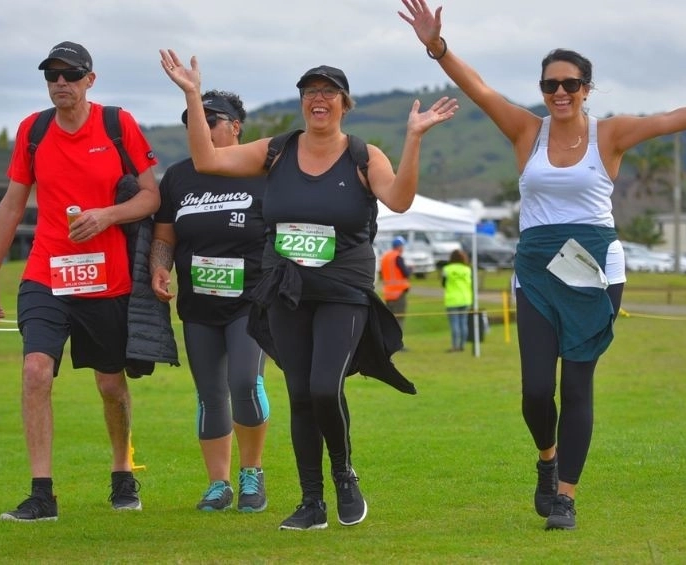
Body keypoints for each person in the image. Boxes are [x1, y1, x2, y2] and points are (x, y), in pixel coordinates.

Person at [400, 0, 686, 530]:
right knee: (536, 391)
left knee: (577, 386)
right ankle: (547, 458)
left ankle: (565, 497)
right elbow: (480, 90)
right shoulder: (526, 132)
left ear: (587, 88)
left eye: (570, 84)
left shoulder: (610, 134)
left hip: (595, 269)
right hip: (537, 269)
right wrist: (437, 47)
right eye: (550, 84)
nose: (560, 92)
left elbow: (667, 120)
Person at [160, 48, 458, 530]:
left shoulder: (363, 155)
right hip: (287, 290)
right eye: (310, 92)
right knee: (300, 393)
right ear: (302, 101)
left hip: (342, 289)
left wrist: (414, 138)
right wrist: (193, 95)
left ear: (345, 103)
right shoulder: (277, 151)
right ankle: (311, 502)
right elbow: (207, 158)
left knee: (324, 387)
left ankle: (344, 474)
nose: (319, 99)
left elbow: (400, 199)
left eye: (329, 92)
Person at [0, 41, 160, 522]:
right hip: (46, 273)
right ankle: (42, 494)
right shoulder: (33, 130)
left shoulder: (117, 124)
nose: (60, 83)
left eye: (71, 74)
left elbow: (151, 196)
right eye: (51, 75)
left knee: (110, 384)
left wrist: (108, 215)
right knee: (36, 371)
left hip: (107, 277)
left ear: (89, 80)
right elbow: (12, 204)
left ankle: (122, 472)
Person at [150, 91, 270, 513]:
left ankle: (252, 471)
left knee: (244, 382)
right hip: (199, 304)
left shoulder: (261, 170)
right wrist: (159, 267)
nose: (198, 127)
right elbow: (165, 236)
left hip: (250, 300)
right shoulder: (179, 177)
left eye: (210, 119)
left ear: (236, 126)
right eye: (191, 121)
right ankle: (219, 484)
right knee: (210, 394)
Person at [441, 248, 473, 352]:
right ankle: (462, 345)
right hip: (465, 298)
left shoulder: (447, 269)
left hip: (452, 299)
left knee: (454, 324)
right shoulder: (467, 269)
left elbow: (443, 283)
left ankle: (455, 346)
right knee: (463, 323)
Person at [380, 236, 412, 329]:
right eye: (402, 246)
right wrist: (410, 269)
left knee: (389, 320)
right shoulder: (397, 257)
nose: (403, 248)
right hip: (399, 293)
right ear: (399, 246)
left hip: (388, 294)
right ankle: (398, 339)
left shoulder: (385, 257)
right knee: (399, 319)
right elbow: (406, 273)